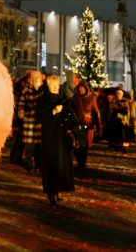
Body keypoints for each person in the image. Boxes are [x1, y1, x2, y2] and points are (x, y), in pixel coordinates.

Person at [39, 74, 76, 206]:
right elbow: (40, 117)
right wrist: (53, 111)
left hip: (61, 136)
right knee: (51, 164)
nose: (55, 87)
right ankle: (51, 192)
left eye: (57, 85)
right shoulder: (43, 100)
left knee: (62, 164)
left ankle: (60, 189)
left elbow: (68, 115)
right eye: (53, 85)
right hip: (50, 136)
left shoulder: (61, 98)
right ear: (48, 86)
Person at [70, 79, 100, 174]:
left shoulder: (91, 98)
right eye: (79, 88)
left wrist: (96, 123)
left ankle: (82, 163)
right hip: (76, 124)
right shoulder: (74, 98)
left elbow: (96, 112)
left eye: (82, 88)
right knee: (77, 144)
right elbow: (71, 110)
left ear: (86, 89)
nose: (81, 90)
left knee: (85, 145)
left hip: (87, 124)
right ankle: (79, 162)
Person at [19, 71, 43, 171]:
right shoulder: (26, 89)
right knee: (30, 144)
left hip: (38, 121)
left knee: (38, 145)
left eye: (38, 78)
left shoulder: (42, 90)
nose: (37, 80)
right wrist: (21, 112)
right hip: (29, 120)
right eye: (35, 78)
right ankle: (27, 162)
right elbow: (21, 103)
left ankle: (38, 164)